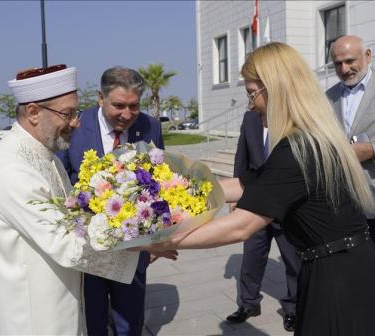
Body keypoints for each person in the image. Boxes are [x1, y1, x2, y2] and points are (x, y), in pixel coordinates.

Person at [143, 42, 375, 336]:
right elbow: (245, 184)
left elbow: (240, 227)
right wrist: (171, 191)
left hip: (337, 279)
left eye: (252, 93)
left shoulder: (295, 149)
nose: (250, 105)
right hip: (344, 266)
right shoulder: (310, 137)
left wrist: (160, 241)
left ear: (275, 88)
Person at [0, 64, 148, 335]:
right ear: (34, 113)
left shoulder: (47, 157)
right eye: (67, 114)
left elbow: (78, 219)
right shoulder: (12, 170)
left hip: (62, 304)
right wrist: (139, 243)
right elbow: (68, 244)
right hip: (33, 317)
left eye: (75, 112)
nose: (76, 122)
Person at [58, 66, 165, 336]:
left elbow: (158, 182)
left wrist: (155, 239)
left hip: (134, 246)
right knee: (93, 320)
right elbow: (60, 182)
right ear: (100, 98)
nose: (127, 115)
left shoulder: (150, 126)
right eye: (118, 106)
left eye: (134, 106)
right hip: (89, 247)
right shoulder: (77, 127)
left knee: (130, 322)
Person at [227, 111, 300, 332]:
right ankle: (249, 304)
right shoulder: (250, 118)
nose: (251, 97)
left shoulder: (292, 115)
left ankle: (294, 309)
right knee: (252, 254)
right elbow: (242, 156)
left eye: (254, 92)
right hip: (255, 199)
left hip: (285, 202)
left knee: (293, 259)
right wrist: (235, 197)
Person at [326, 35, 375, 241]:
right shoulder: (328, 97)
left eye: (350, 61)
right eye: (338, 63)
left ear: (368, 56)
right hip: (344, 202)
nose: (344, 69)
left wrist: (372, 148)